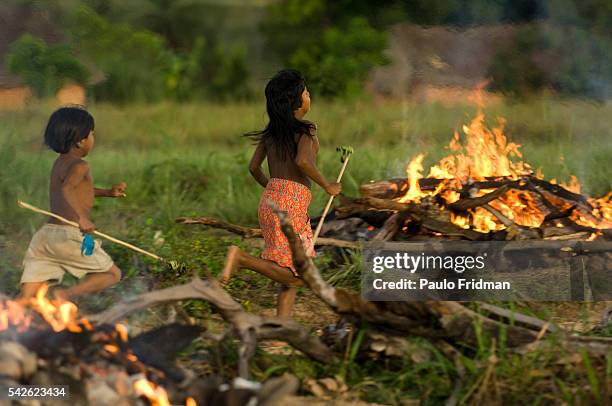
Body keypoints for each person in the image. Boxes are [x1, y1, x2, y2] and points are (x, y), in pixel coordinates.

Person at [221, 69, 341, 318]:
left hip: (270, 200)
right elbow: (303, 162)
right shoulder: (307, 130)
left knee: (287, 271)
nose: (309, 96)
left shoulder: (272, 132)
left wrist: (273, 189)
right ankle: (241, 258)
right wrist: (328, 185)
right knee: (297, 274)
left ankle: (280, 328)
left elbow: (253, 167)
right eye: (306, 92)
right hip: (290, 205)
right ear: (297, 101)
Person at [19, 106, 126, 302]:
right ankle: (65, 295)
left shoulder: (60, 163)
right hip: (68, 236)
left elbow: (78, 191)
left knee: (26, 298)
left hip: (46, 236)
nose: (93, 139)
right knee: (113, 275)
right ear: (80, 140)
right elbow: (67, 189)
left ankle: (9, 319)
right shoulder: (80, 165)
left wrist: (108, 193)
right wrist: (82, 218)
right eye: (92, 134)